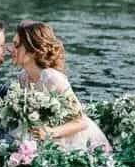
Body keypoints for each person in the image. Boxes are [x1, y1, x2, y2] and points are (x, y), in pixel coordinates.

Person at [10, 20, 111, 152]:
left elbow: (81, 122)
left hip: (74, 139)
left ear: (33, 51)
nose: (12, 50)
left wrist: (50, 132)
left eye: (17, 45)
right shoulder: (23, 76)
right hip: (42, 134)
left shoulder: (52, 78)